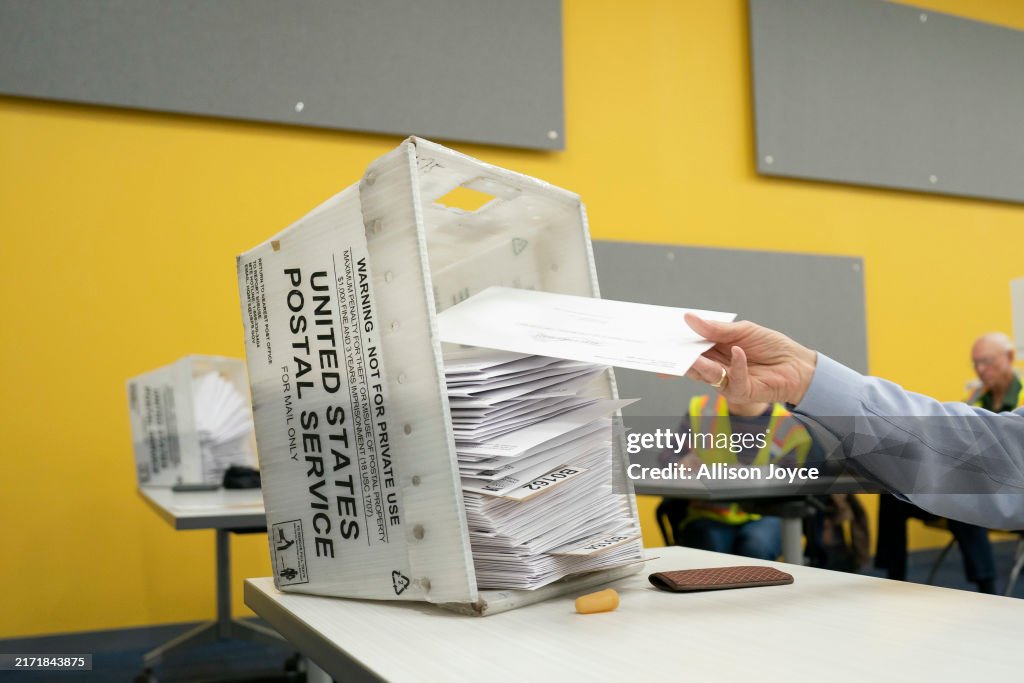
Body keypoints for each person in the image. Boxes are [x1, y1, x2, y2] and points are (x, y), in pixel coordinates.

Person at [682, 314, 1024, 530]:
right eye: (976, 362)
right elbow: (999, 457)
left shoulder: (783, 422)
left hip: (762, 513)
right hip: (711, 510)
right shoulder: (702, 410)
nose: (981, 370)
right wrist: (804, 377)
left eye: (988, 361)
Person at [661, 393, 812, 560]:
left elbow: (795, 484)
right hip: (709, 513)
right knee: (710, 547)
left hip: (766, 515)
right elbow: (667, 456)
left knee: (756, 546)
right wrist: (680, 463)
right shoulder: (703, 410)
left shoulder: (789, 426)